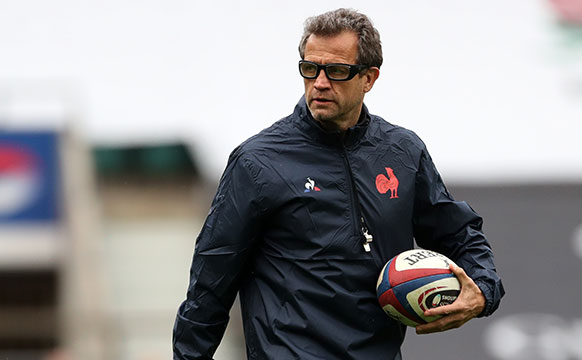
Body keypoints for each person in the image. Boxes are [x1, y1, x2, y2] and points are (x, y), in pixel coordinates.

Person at [173, 8, 505, 360]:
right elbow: (209, 287)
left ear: (369, 78)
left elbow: (457, 233)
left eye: (336, 71)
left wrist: (483, 291)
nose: (319, 82)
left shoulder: (403, 152)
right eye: (309, 68)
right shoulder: (257, 162)